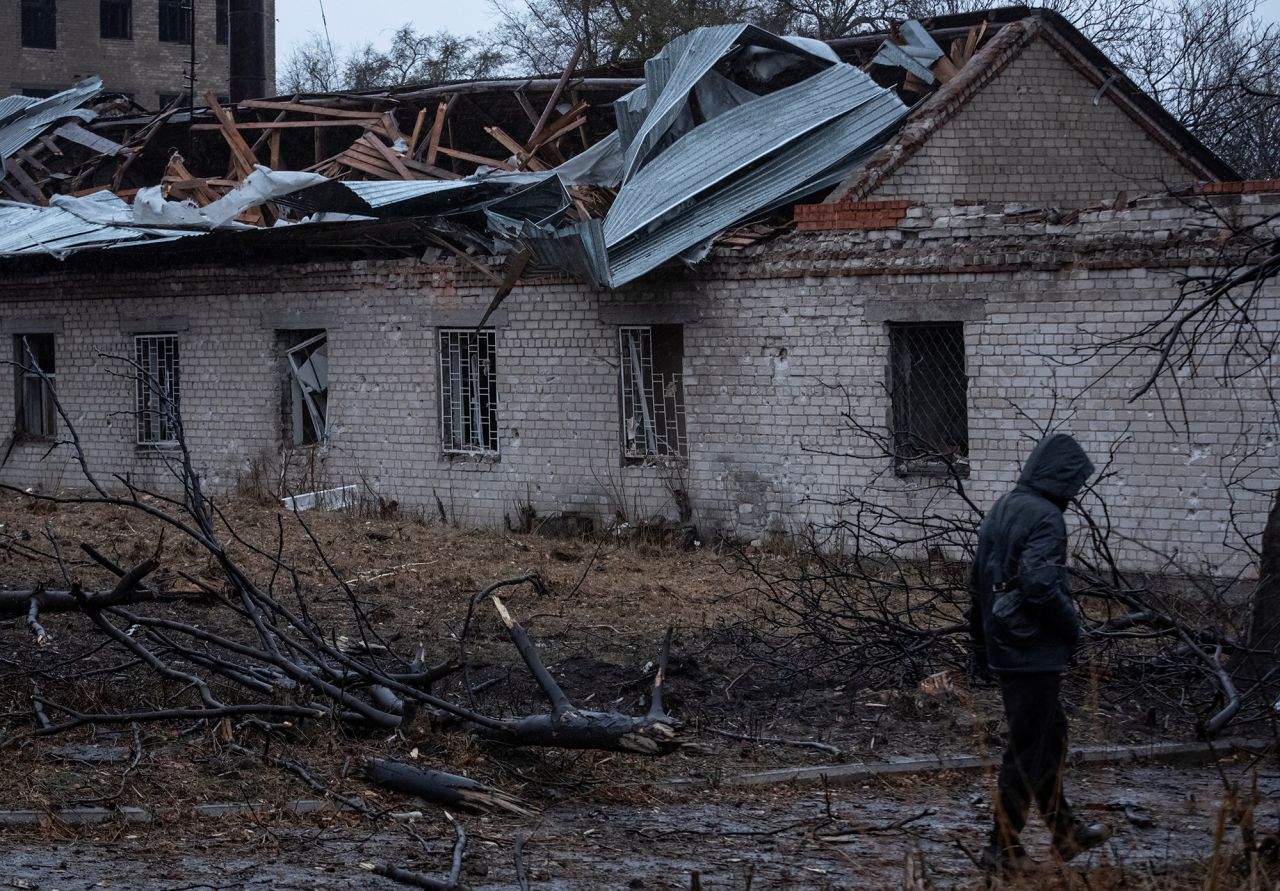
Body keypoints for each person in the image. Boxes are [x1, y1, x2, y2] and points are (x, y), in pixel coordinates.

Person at [969, 432, 1112, 873]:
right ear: (1063, 479)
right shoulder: (1047, 516)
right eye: (1075, 482)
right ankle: (1002, 851)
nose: (1077, 491)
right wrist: (1073, 628)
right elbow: (1039, 585)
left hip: (1005, 644)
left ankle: (1065, 832)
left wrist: (980, 646)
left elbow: (977, 581)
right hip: (1031, 650)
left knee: (1048, 740)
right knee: (1028, 748)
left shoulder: (1004, 506)